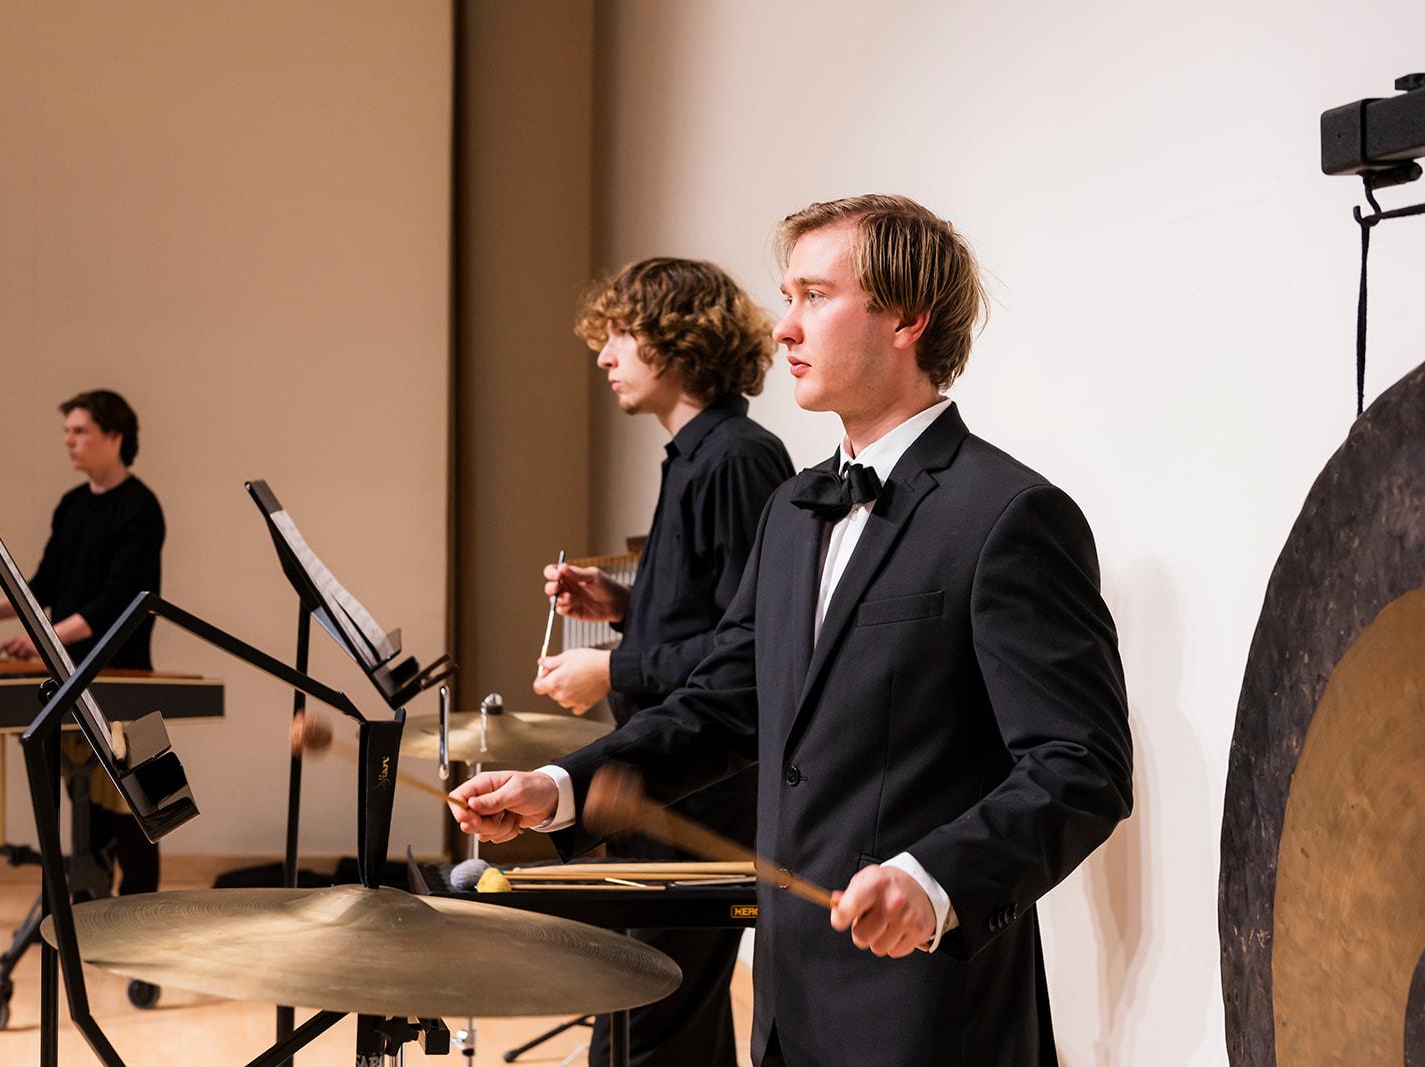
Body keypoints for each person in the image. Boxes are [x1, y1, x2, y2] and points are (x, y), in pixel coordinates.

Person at [451, 195, 1134, 1067]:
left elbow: (1081, 765)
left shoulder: (1008, 515)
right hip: (788, 1002)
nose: (783, 329)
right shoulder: (790, 510)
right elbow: (726, 701)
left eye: (815, 295)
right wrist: (563, 784)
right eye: (788, 297)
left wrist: (934, 880)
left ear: (908, 318)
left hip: (930, 1014)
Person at [532, 257, 794, 1067]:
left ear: (679, 343)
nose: (605, 355)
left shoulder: (738, 459)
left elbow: (752, 647)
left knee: (650, 1025)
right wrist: (617, 606)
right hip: (664, 778)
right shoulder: (691, 455)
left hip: (705, 783)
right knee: (659, 1016)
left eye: (621, 335)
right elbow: (710, 609)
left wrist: (615, 669)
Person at [0, 389, 166, 895]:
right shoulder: (71, 505)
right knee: (85, 814)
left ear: (115, 437)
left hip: (123, 679)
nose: (68, 441)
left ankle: (144, 938)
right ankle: (86, 917)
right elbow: (44, 584)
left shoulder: (141, 508)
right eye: (66, 431)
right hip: (71, 683)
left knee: (138, 819)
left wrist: (45, 637)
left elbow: (116, 603)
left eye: (79, 431)